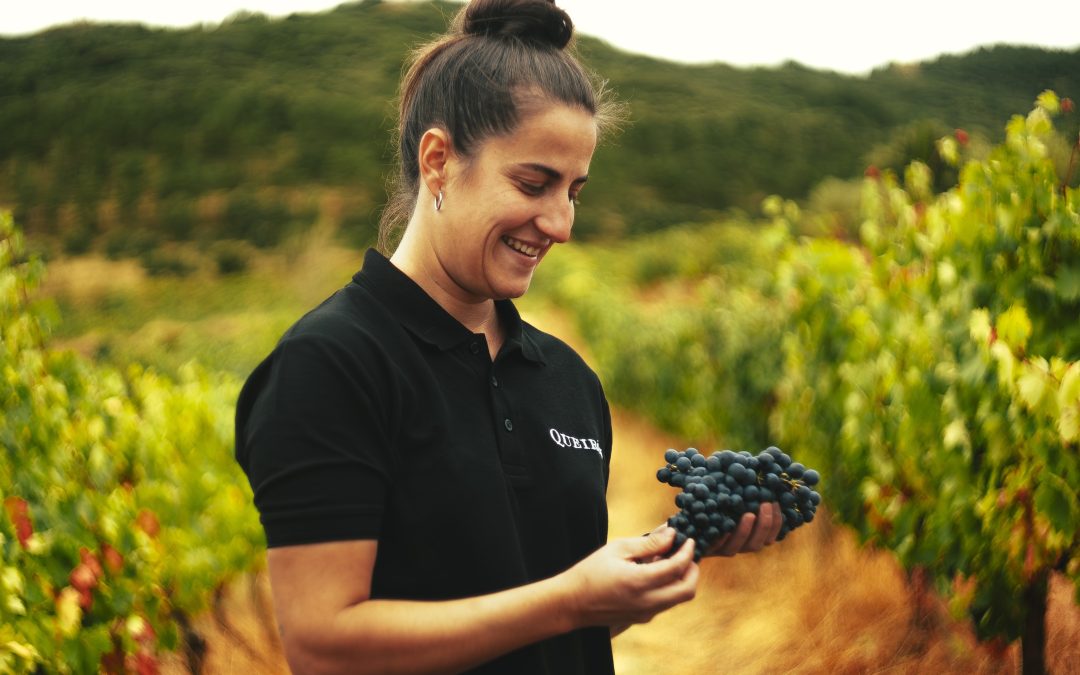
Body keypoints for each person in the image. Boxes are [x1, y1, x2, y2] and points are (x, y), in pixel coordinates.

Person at [234, 1, 781, 673]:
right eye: (534, 182)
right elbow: (324, 645)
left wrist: (642, 576)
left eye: (575, 190)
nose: (560, 222)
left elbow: (547, 628)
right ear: (438, 160)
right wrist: (569, 601)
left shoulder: (566, 380)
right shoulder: (331, 364)